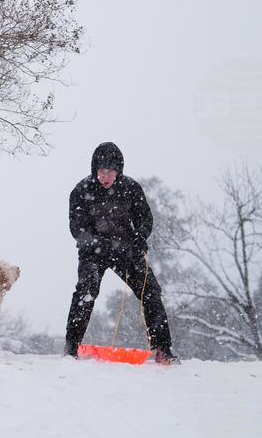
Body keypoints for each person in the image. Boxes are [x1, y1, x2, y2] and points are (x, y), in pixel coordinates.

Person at [63, 142, 177, 364]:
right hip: (93, 252)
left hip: (125, 250)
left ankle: (163, 348)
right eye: (101, 171)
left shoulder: (130, 188)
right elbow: (77, 229)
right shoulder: (81, 191)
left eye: (110, 172)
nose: (105, 177)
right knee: (86, 292)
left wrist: (140, 236)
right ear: (95, 170)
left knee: (150, 291)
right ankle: (71, 347)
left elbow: (145, 218)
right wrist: (98, 244)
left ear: (119, 171)